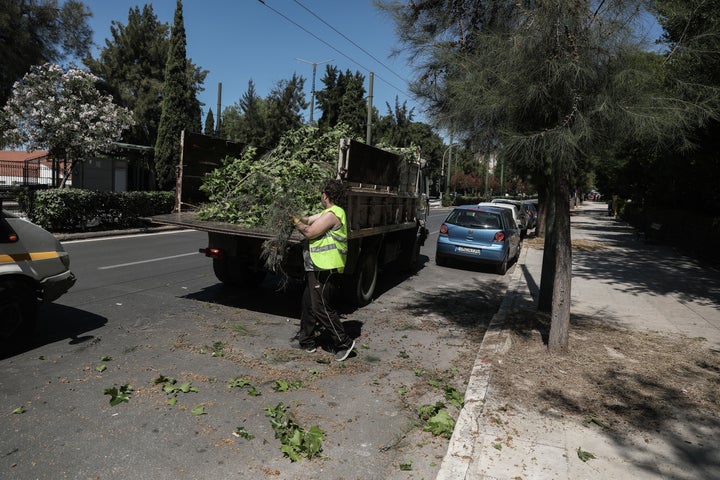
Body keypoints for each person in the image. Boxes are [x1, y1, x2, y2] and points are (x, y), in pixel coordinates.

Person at [290, 179, 355, 362]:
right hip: (316, 266)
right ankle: (307, 341)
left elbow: (310, 231)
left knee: (321, 308)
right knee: (308, 304)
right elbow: (309, 220)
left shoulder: (334, 214)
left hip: (326, 268)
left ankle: (344, 342)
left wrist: (296, 222)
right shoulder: (328, 212)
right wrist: (292, 214)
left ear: (325, 195)